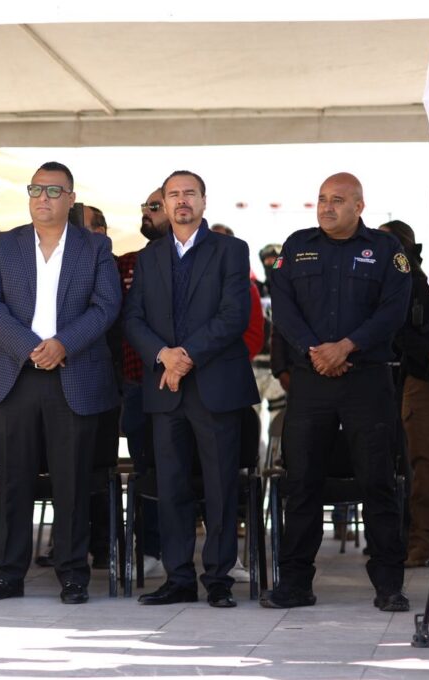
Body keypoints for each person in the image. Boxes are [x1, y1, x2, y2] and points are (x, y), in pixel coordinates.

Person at [0, 162, 120, 604]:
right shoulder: (4, 244)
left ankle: (73, 574)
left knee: (71, 481)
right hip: (14, 374)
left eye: (54, 191)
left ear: (70, 199)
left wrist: (62, 345)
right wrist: (31, 347)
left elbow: (106, 305)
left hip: (72, 374)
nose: (43, 198)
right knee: (13, 479)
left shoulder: (95, 247)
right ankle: (8, 573)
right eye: (36, 189)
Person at [265, 172, 411, 611]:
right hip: (311, 380)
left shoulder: (386, 249)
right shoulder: (297, 245)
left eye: (338, 200)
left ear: (359, 206)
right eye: (323, 199)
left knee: (377, 481)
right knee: (302, 481)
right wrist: (317, 352)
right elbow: (283, 307)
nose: (327, 207)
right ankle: (295, 583)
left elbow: (394, 310)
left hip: (366, 379)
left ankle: (388, 584)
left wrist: (346, 346)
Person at [123, 170, 259, 608]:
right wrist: (163, 356)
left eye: (189, 194)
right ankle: (178, 578)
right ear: (164, 203)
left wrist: (185, 357)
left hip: (215, 386)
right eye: (173, 195)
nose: (181, 201)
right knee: (172, 487)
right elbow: (133, 318)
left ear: (203, 200)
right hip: (165, 388)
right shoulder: (149, 257)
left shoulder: (231, 250)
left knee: (220, 487)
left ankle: (218, 579)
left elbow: (234, 315)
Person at [380, 219, 429, 567]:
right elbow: (396, 331)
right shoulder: (399, 286)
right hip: (421, 381)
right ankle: (420, 543)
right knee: (422, 467)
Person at [116, 188, 173, 580]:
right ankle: (150, 548)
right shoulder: (127, 263)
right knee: (146, 469)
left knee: (195, 467)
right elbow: (121, 321)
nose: (146, 213)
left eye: (154, 207)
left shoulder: (201, 259)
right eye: (145, 207)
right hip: (138, 382)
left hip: (186, 382)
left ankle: (214, 554)